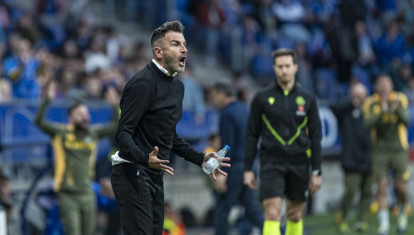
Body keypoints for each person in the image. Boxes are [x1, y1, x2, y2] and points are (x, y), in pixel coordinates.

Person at [110, 21, 230, 235]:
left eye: (184, 44)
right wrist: (144, 157)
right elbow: (122, 135)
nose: (184, 49)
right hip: (132, 170)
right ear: (158, 52)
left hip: (155, 173)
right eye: (175, 44)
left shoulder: (178, 87)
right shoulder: (142, 84)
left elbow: (170, 137)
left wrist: (200, 158)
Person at [244, 48, 323, 235]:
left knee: (295, 214)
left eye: (288, 66)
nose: (284, 70)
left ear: (296, 67)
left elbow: (316, 136)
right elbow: (251, 134)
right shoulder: (261, 98)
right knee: (272, 212)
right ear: (274, 68)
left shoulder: (308, 98)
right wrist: (248, 168)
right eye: (280, 67)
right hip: (271, 162)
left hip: (299, 162)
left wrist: (317, 171)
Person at [34, 84, 119, 235]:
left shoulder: (92, 134)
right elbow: (39, 121)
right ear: (70, 117)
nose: (85, 117)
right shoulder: (61, 133)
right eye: (80, 114)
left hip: (87, 193)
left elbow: (116, 126)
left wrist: (114, 105)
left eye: (86, 114)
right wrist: (47, 100)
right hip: (68, 194)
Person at [210, 82, 264, 235]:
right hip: (251, 166)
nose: (213, 100)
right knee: (254, 211)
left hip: (236, 168)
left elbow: (228, 146)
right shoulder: (245, 110)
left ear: (222, 94)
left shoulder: (227, 113)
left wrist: (221, 172)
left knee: (222, 210)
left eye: (214, 96)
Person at [363, 74, 410, 235]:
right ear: (376, 87)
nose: (384, 87)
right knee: (381, 186)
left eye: (386, 84)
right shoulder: (370, 102)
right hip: (380, 150)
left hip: (398, 149)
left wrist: (396, 110)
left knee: (401, 187)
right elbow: (367, 124)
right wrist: (380, 113)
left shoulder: (400, 99)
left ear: (391, 86)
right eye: (380, 84)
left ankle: (402, 212)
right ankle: (384, 225)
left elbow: (406, 121)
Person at [330, 82, 372, 233]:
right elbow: (333, 108)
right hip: (350, 159)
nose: (359, 98)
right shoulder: (345, 111)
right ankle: (343, 217)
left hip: (368, 158)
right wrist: (351, 102)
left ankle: (361, 221)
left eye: (361, 94)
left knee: (367, 192)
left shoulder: (370, 110)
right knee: (351, 190)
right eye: (356, 94)